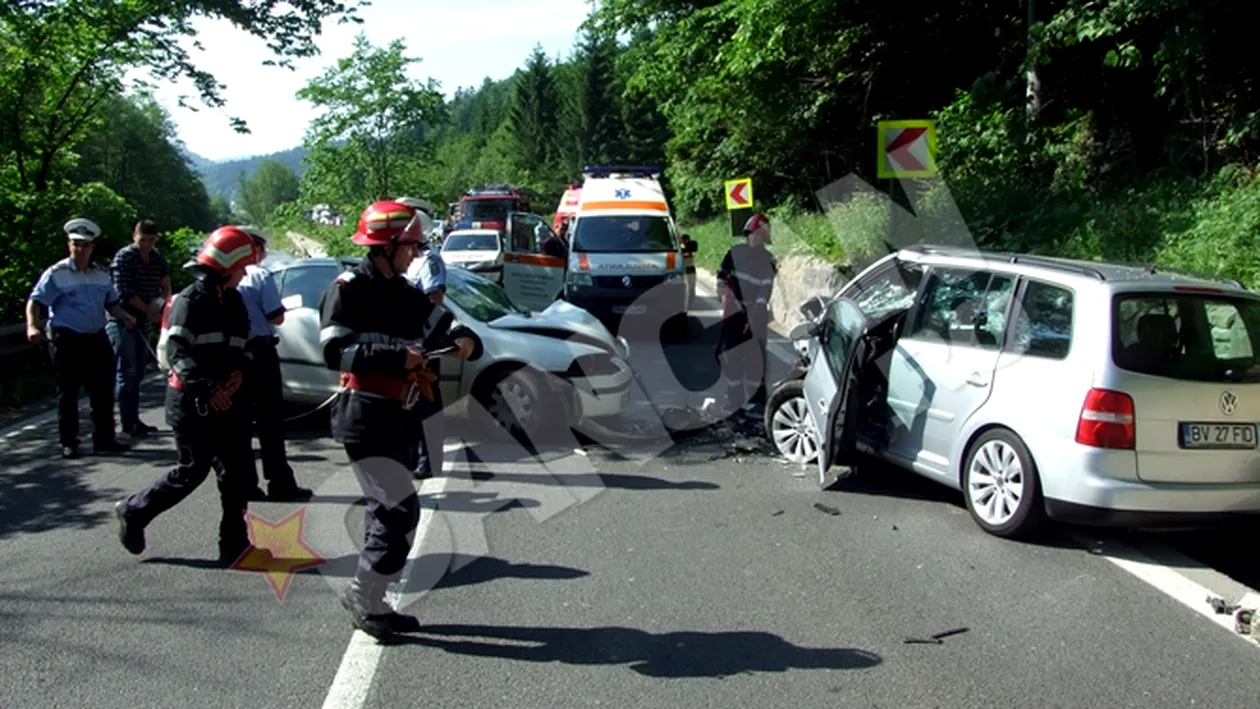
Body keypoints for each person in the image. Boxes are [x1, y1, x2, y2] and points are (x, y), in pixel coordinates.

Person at [319, 200, 482, 639]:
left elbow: (441, 324)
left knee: (387, 509)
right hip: (364, 416)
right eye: (409, 245)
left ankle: (373, 602)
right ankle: (363, 592)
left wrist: (464, 340)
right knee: (399, 509)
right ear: (386, 245)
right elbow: (334, 351)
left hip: (398, 415)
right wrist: (396, 355)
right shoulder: (347, 289)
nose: (415, 252)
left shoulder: (403, 290)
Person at [113, 226, 263, 567]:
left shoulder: (235, 302)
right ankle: (133, 511)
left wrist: (241, 372)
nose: (244, 275)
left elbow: (244, 347)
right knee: (191, 472)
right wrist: (208, 389)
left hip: (228, 403)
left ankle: (235, 546)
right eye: (241, 268)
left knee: (238, 474)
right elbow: (178, 354)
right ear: (226, 268)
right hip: (192, 403)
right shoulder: (187, 302)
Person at [26, 218, 135, 459]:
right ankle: (69, 442)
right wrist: (33, 326)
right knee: (69, 393)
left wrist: (125, 316)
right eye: (76, 244)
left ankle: (105, 439)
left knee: (104, 391)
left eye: (85, 245)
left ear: (92, 247)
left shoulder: (101, 276)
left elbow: (112, 304)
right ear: (69, 245)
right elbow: (36, 302)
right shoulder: (57, 274)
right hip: (68, 338)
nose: (80, 249)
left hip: (96, 336)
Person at [234, 226, 313, 502]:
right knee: (270, 420)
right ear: (254, 250)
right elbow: (276, 317)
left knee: (242, 422)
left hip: (236, 353)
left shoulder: (228, 278)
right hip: (261, 350)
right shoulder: (258, 275)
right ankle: (279, 482)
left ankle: (245, 483)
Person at [108, 219, 171, 438]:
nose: (147, 245)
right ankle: (128, 422)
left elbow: (165, 285)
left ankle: (135, 419)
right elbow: (123, 291)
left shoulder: (157, 258)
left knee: (140, 371)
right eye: (143, 240)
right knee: (127, 371)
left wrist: (161, 305)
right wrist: (147, 310)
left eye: (151, 241)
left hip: (144, 319)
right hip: (123, 319)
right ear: (135, 236)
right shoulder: (124, 257)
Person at [715, 212, 777, 416]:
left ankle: (757, 403)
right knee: (730, 357)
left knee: (755, 361)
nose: (755, 238)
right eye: (752, 234)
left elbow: (764, 293)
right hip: (733, 313)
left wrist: (754, 316)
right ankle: (734, 401)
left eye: (759, 235)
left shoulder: (768, 260)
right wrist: (723, 296)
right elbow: (722, 277)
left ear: (765, 238)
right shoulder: (734, 253)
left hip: (754, 317)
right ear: (747, 233)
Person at [403, 226, 449, 479]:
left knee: (427, 402)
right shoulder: (405, 260)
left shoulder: (429, 260)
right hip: (407, 342)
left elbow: (436, 298)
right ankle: (412, 457)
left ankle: (429, 460)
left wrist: (425, 340)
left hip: (424, 342)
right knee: (409, 403)